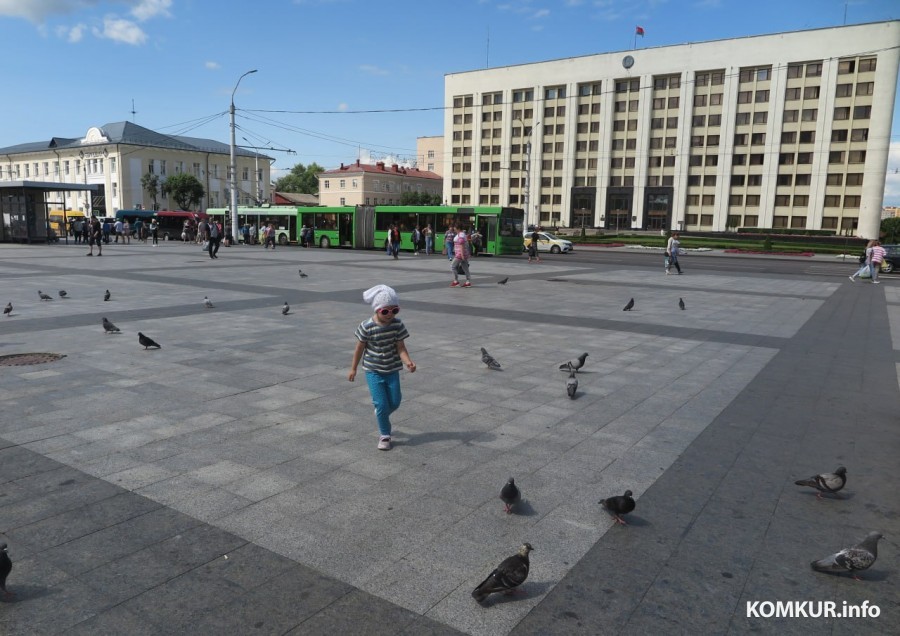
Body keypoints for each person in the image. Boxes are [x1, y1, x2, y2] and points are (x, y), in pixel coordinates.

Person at [348, 284, 416, 451]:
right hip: (373, 370)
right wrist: (353, 368)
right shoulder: (366, 326)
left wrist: (408, 361)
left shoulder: (397, 325)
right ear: (377, 310)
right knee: (381, 403)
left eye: (395, 310)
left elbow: (401, 347)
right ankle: (385, 435)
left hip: (392, 369)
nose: (390, 315)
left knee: (395, 401)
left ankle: (381, 412)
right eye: (385, 311)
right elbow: (359, 348)